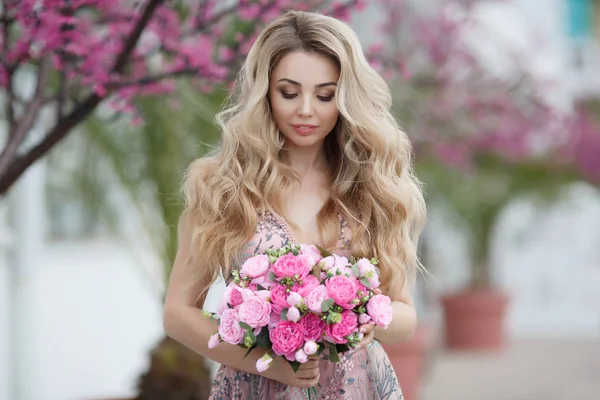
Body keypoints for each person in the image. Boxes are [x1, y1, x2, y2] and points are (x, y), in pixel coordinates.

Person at [163, 9, 426, 400]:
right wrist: (265, 363)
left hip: (356, 386)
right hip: (257, 386)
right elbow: (178, 314)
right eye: (289, 92)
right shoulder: (223, 188)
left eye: (325, 95)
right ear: (264, 92)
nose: (306, 110)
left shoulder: (372, 189)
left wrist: (367, 319)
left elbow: (405, 316)